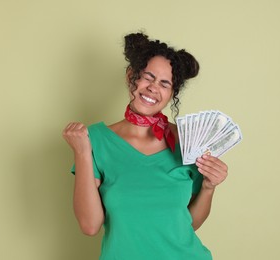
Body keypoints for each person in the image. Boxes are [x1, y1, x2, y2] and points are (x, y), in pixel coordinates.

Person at [62, 32, 229, 260]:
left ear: (172, 93)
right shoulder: (96, 140)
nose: (153, 88)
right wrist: (82, 153)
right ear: (131, 76)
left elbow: (187, 225)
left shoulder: (188, 141)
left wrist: (209, 187)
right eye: (147, 77)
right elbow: (90, 226)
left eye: (164, 83)